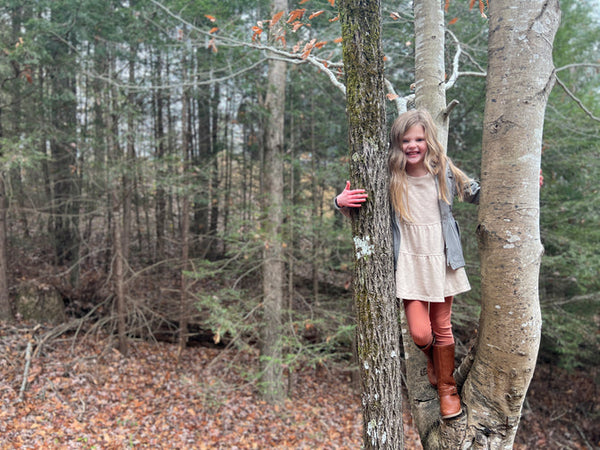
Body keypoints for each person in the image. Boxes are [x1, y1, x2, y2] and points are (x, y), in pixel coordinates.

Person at [334, 109, 480, 420]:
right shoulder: (389, 176)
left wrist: (522, 183)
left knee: (442, 327)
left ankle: (447, 389)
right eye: (406, 140)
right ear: (397, 144)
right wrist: (339, 203)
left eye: (419, 139)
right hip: (410, 261)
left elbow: (476, 193)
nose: (413, 146)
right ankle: (435, 360)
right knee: (420, 334)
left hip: (441, 258)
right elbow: (363, 210)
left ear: (429, 141)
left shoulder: (444, 171)